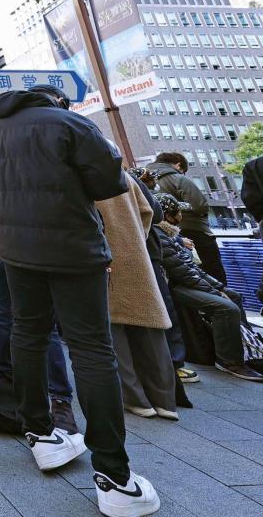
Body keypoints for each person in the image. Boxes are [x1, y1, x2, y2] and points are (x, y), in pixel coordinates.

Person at [0, 85, 160, 517]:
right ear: (57, 101)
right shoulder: (69, 124)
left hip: (15, 252)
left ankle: (39, 433)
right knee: (92, 349)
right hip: (75, 251)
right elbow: (110, 183)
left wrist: (0, 243)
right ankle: (114, 477)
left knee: (27, 334)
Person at [0, 115, 79, 435]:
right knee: (3, 318)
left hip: (20, 249)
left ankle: (59, 398)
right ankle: (11, 387)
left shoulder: (10, 155)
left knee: (39, 321)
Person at [154, 193, 263, 383]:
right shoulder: (162, 236)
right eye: (178, 211)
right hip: (174, 287)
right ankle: (230, 361)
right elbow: (184, 273)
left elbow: (192, 270)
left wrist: (220, 287)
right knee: (226, 307)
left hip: (185, 282)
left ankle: (247, 349)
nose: (182, 214)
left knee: (234, 296)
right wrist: (215, 292)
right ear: (168, 215)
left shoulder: (170, 234)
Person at [96, 172, 177, 420]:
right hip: (135, 255)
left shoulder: (81, 175)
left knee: (113, 329)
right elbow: (151, 211)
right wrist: (135, 238)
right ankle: (165, 401)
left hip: (100, 257)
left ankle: (135, 399)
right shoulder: (123, 176)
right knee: (149, 324)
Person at [128, 168, 197, 391]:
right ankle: (172, 364)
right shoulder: (131, 184)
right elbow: (155, 213)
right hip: (143, 256)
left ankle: (161, 366)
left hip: (131, 257)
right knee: (163, 310)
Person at [149, 152, 227, 284]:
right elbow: (200, 205)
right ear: (178, 164)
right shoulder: (178, 179)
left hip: (167, 234)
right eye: (183, 170)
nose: (182, 173)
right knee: (214, 275)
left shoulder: (146, 182)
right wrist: (175, 206)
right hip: (196, 232)